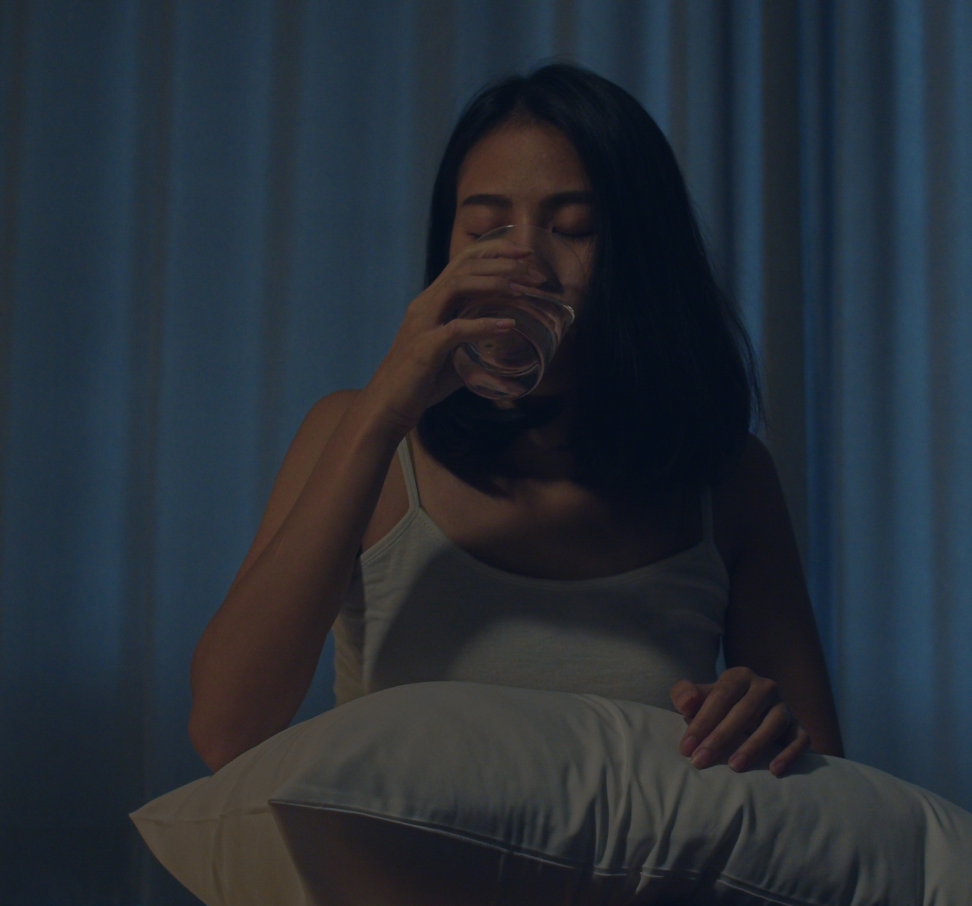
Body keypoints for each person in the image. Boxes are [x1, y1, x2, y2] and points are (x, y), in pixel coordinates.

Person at [187, 62, 843, 776]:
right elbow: (226, 732)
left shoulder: (727, 478)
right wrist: (383, 409)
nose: (522, 261)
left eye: (575, 228)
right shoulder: (359, 435)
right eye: (484, 229)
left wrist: (768, 724)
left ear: (645, 256)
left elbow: (833, 793)